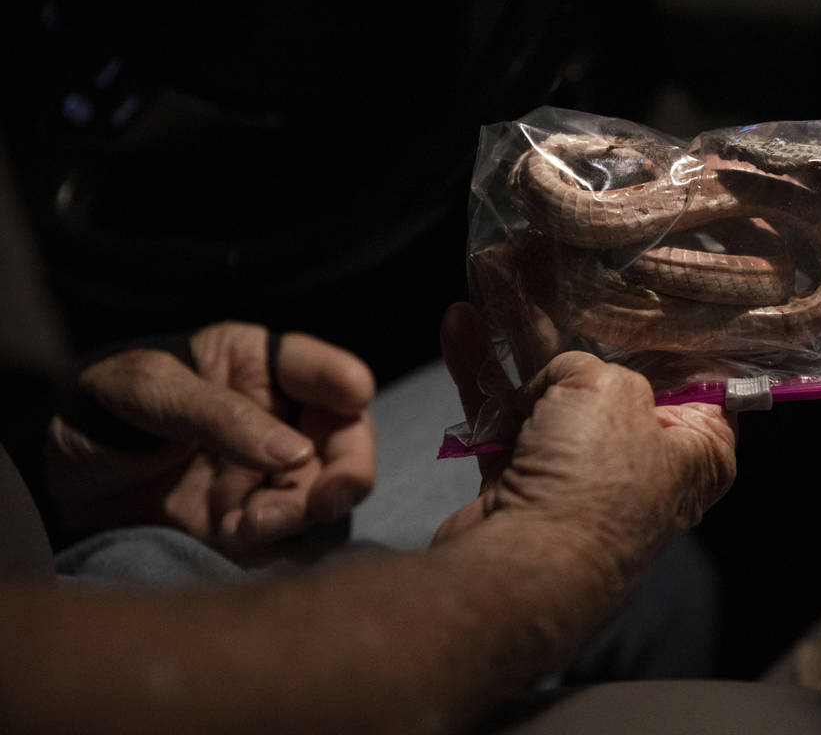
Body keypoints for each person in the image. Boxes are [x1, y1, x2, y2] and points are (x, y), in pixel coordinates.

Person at [0, 128, 739, 731]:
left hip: (76, 582)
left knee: (631, 482)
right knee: (668, 584)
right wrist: (561, 558)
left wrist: (48, 467)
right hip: (109, 671)